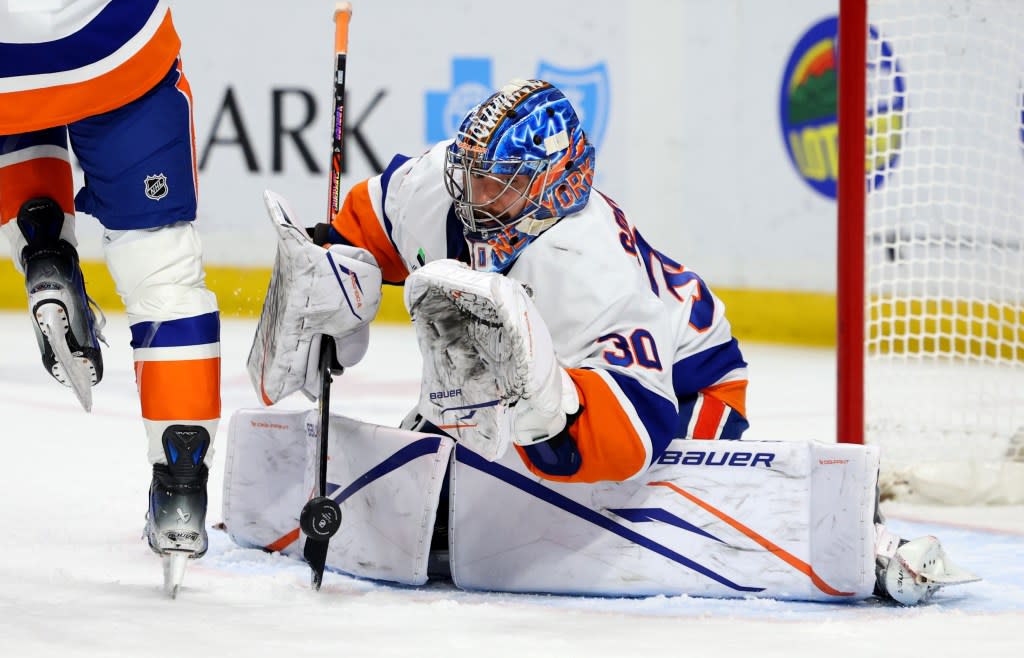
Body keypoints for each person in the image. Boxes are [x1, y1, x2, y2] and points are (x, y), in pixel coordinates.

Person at [247, 79, 976, 605]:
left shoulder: (584, 261)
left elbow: (638, 435)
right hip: (560, 360)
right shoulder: (439, 186)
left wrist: (551, 410)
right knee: (477, 443)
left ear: (557, 185)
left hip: (686, 382)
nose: (476, 198)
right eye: (472, 174)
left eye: (501, 185)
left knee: (592, 482)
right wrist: (333, 267)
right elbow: (364, 224)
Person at [0, 0, 220, 585]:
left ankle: (43, 247)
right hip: (110, 40)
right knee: (162, 267)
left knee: (17, 101)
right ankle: (180, 492)